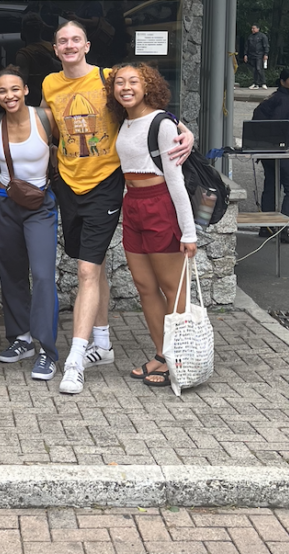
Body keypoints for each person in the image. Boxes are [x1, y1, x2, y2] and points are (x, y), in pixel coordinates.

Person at [42, 21, 192, 396]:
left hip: (108, 188)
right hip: (74, 187)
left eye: (76, 39)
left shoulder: (110, 78)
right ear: (55, 49)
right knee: (113, 272)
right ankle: (107, 344)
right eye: (63, 41)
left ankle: (77, 359)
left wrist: (186, 130)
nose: (70, 45)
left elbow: (155, 112)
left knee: (89, 269)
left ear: (88, 45)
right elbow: (51, 125)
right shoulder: (49, 84)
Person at [108, 64, 198, 391]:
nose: (126, 87)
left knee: (174, 291)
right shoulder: (125, 121)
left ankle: (182, 361)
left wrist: (189, 233)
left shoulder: (161, 121)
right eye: (120, 82)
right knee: (145, 287)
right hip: (132, 205)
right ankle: (162, 354)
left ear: (149, 86)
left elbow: (175, 181)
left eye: (134, 81)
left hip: (160, 203)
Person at [0, 67, 59, 380]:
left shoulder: (44, 119)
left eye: (15, 89)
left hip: (40, 205)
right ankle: (21, 338)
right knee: (11, 271)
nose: (9, 96)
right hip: (5, 202)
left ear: (26, 90)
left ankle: (46, 349)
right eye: (3, 91)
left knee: (43, 275)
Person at [252, 67, 289, 241]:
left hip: (264, 149)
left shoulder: (272, 97)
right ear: (282, 82)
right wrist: (285, 148)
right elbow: (279, 124)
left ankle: (266, 226)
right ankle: (283, 228)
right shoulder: (286, 100)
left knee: (271, 185)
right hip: (279, 149)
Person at [15, 14, 61, 106]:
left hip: (37, 99)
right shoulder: (52, 47)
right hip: (56, 93)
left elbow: (22, 81)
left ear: (23, 31)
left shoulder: (24, 55)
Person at [243, 25, 269, 89]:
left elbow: (266, 45)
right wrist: (245, 54)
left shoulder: (262, 36)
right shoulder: (250, 37)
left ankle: (263, 82)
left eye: (254, 28)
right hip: (252, 54)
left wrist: (266, 54)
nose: (252, 30)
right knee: (254, 69)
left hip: (259, 54)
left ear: (258, 29)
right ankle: (255, 83)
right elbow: (246, 46)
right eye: (252, 28)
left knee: (259, 68)